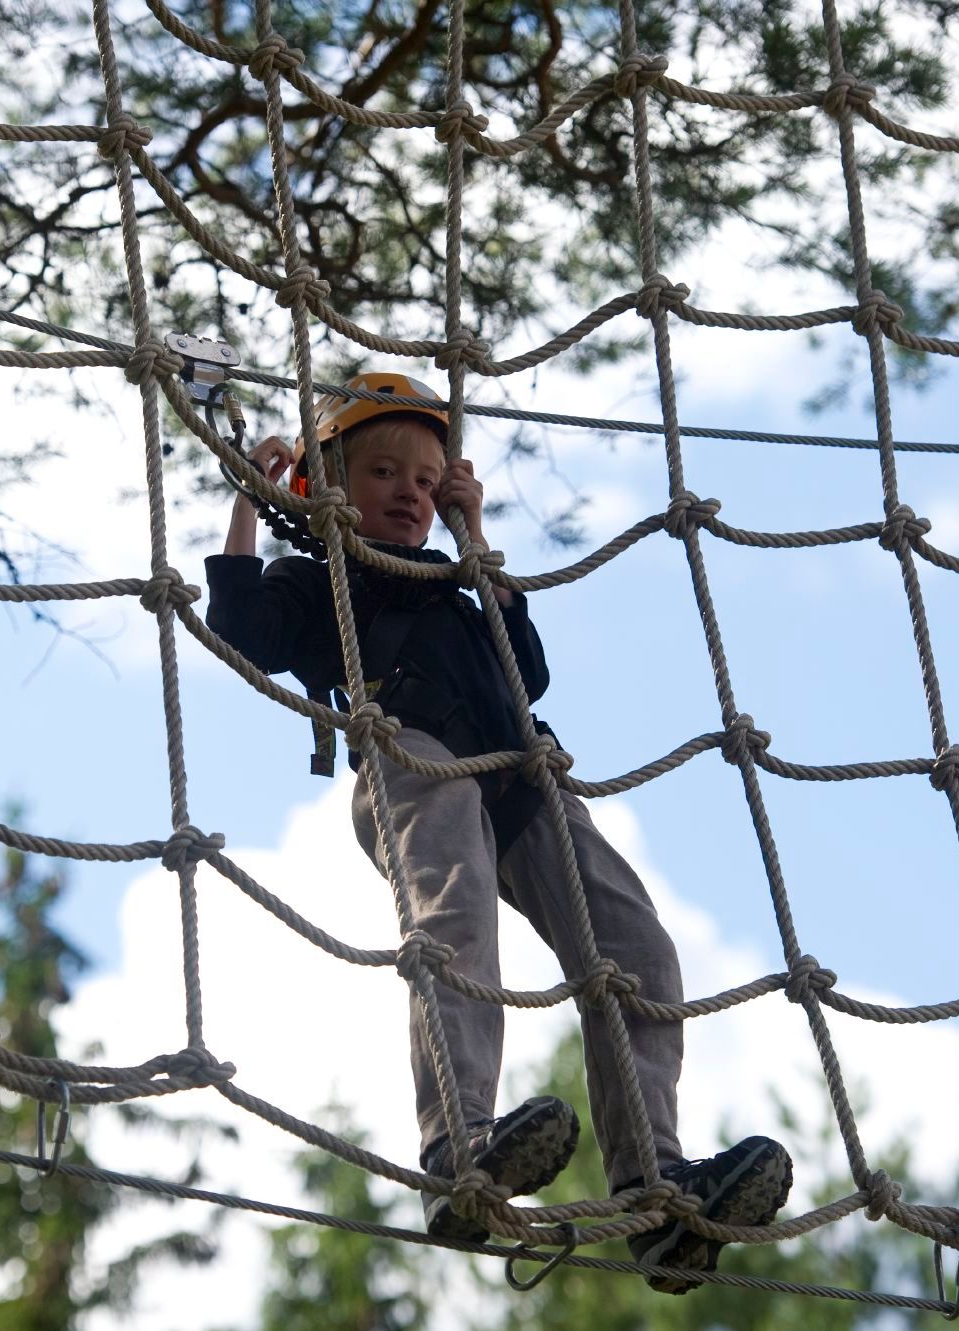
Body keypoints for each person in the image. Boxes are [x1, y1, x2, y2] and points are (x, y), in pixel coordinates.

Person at [203, 371, 791, 1293]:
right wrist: (251, 499)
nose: (409, 491)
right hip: (413, 751)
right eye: (384, 470)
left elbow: (530, 669)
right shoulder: (315, 577)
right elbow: (242, 629)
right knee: (457, 916)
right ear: (327, 488)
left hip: (517, 771)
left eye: (429, 480)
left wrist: (477, 540)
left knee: (636, 945)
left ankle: (656, 1186)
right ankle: (459, 1148)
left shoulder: (455, 583)